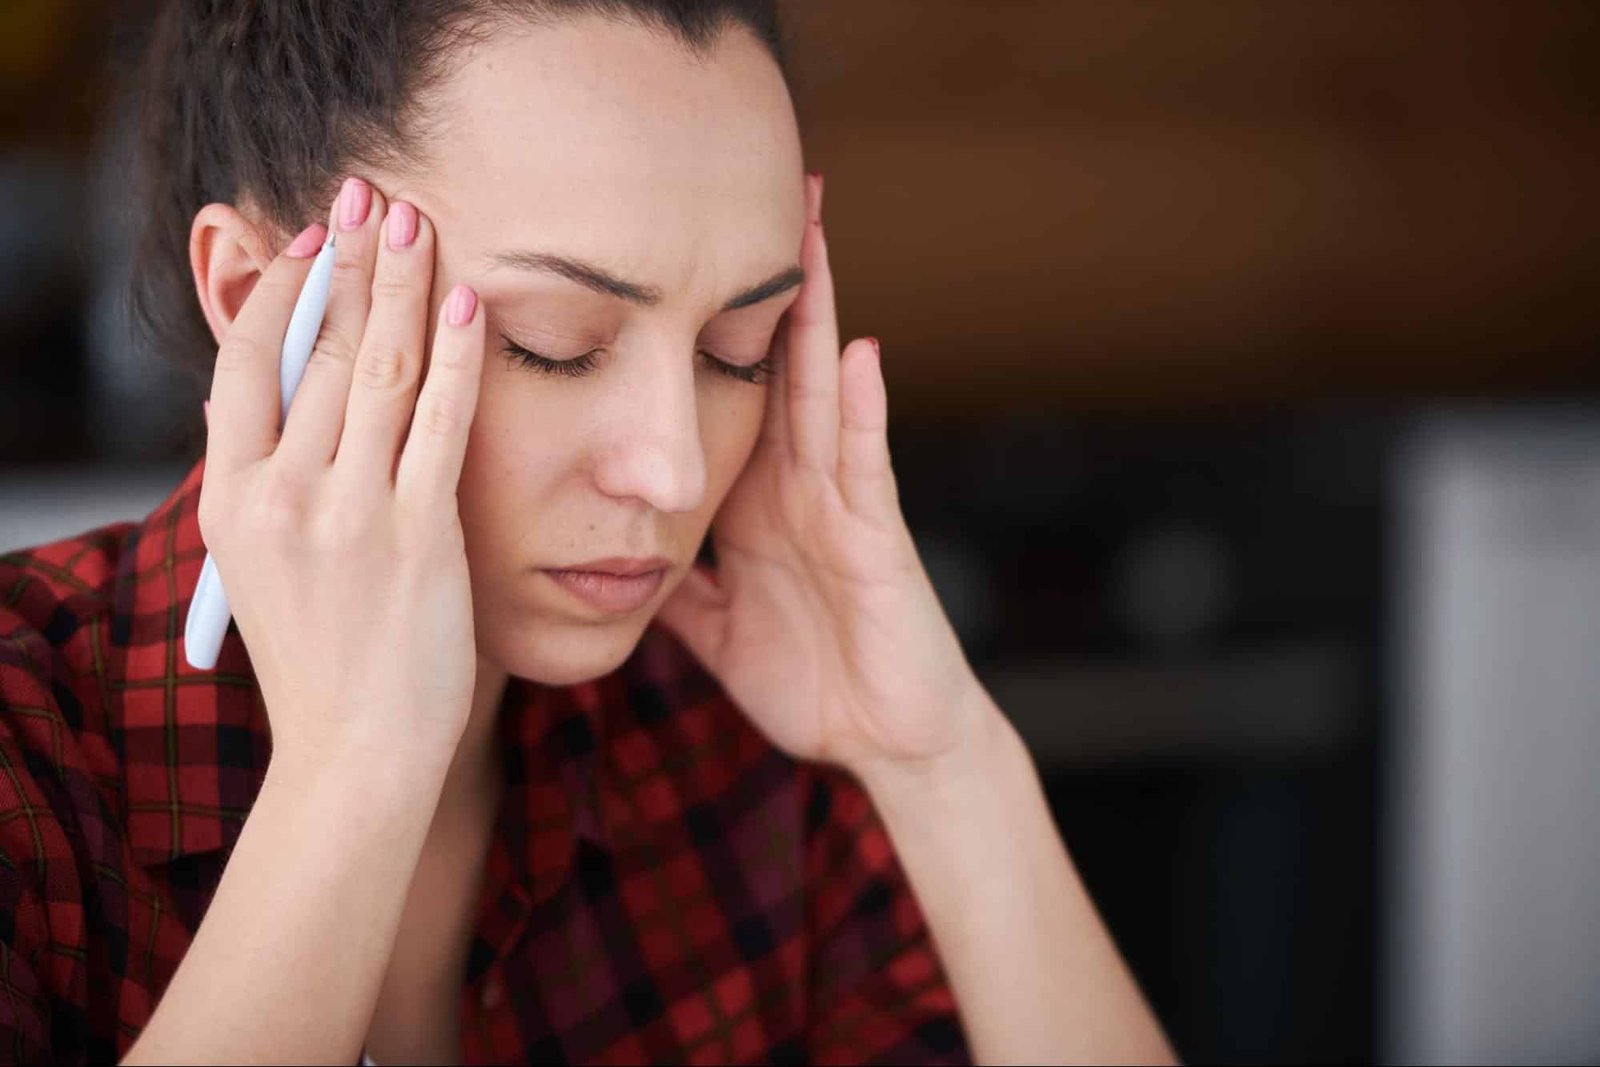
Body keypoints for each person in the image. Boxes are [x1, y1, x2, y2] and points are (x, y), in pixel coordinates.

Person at [0, 2, 1177, 1063]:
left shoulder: (748, 762)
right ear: (265, 303)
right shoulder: (26, 762)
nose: (669, 469)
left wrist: (945, 763)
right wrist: (353, 775)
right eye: (551, 343)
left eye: (738, 350)